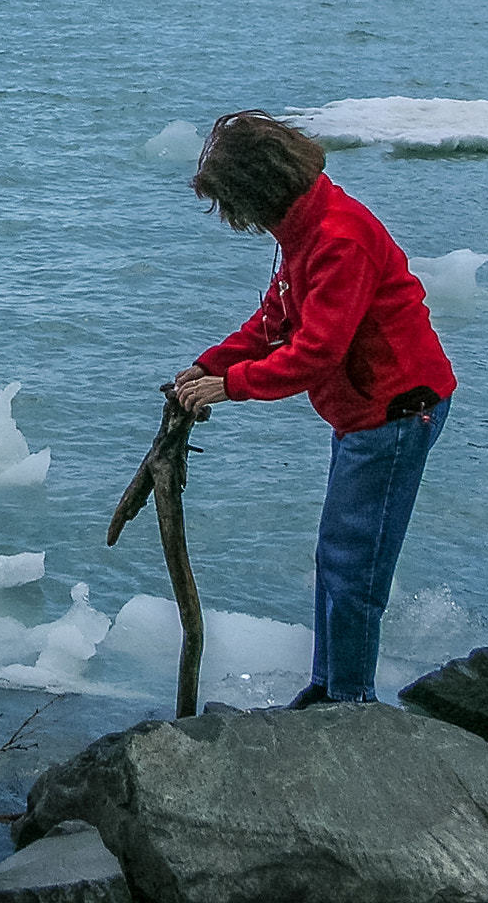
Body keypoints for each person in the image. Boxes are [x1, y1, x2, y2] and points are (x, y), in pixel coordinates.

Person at [170, 110, 454, 707]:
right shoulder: (303, 230)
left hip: (398, 410)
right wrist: (211, 363)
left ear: (257, 189)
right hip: (366, 411)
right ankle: (329, 686)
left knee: (355, 564)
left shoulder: (338, 238)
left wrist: (232, 385)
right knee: (337, 554)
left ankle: (348, 702)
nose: (236, 218)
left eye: (232, 201)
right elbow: (275, 322)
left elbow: (317, 352)